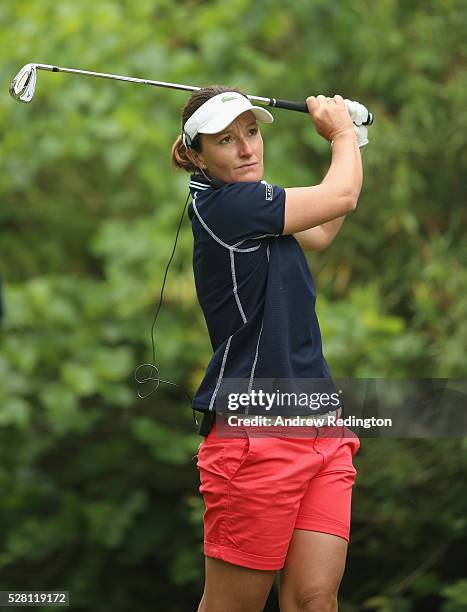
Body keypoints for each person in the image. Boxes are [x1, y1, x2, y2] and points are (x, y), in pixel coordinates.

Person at [171, 86, 363, 612]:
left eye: (251, 132)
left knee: (315, 601)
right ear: (196, 155)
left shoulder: (256, 204)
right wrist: (343, 132)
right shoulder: (230, 203)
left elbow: (322, 228)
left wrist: (356, 143)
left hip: (319, 425)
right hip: (256, 437)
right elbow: (342, 197)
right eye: (225, 140)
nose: (246, 148)